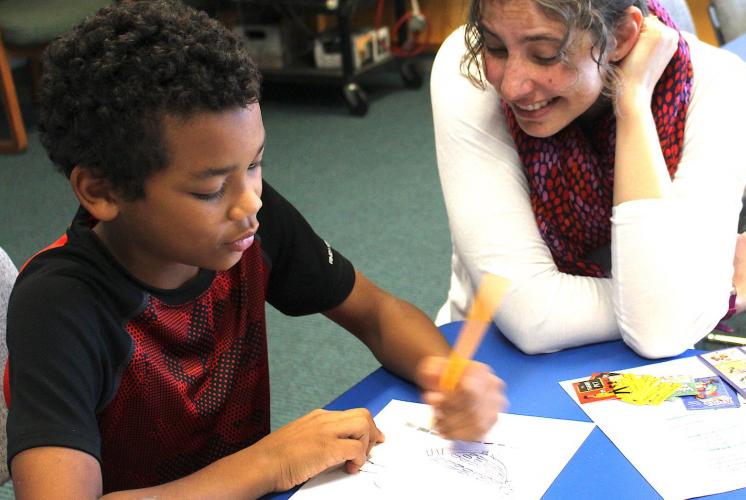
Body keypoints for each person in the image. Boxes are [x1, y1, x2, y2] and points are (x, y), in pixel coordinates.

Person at [4, 1, 506, 497]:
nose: (250, 201)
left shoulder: (250, 225)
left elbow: (376, 313)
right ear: (102, 191)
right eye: (208, 190)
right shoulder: (59, 306)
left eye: (255, 163)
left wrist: (443, 371)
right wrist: (269, 462)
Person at [431, 0, 746, 359]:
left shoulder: (719, 85)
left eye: (546, 55)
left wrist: (632, 101)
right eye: (496, 48)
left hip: (646, 367)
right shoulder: (466, 66)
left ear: (622, 36)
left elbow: (658, 331)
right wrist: (705, 297)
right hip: (491, 359)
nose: (512, 85)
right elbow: (532, 318)